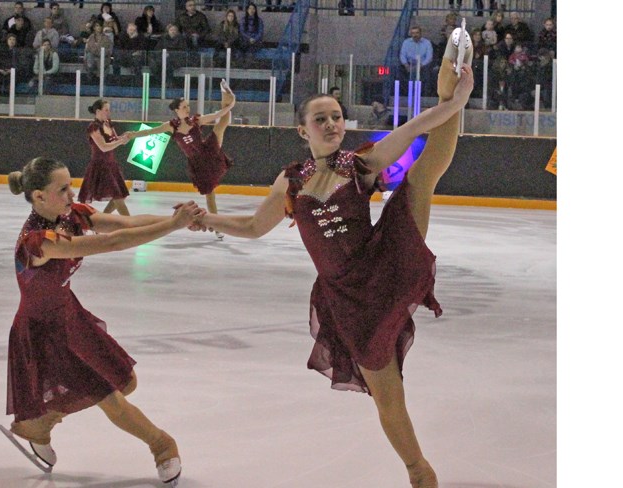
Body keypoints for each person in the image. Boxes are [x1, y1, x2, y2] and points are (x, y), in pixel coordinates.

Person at [190, 26, 474, 488]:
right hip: (347, 300)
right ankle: (418, 467)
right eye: (320, 119)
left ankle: (420, 477)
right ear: (302, 130)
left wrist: (455, 101)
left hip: (382, 265)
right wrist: (209, 220)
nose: (331, 124)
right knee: (387, 394)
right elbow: (253, 226)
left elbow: (418, 128)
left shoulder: (357, 165)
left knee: (421, 180)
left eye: (336, 117)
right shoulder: (291, 180)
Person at [3, 156, 203, 484]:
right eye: (63, 189)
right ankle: (162, 446)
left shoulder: (73, 216)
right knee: (109, 396)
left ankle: (38, 425)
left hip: (69, 317)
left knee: (127, 382)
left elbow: (126, 224)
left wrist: (177, 219)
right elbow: (110, 243)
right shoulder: (37, 243)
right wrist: (173, 225)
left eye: (71, 185)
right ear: (39, 197)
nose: (72, 194)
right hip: (43, 331)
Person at [127, 80, 236, 240]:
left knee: (222, 123)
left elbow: (216, 116)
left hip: (209, 150)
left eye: (188, 106)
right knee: (209, 194)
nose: (188, 109)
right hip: (197, 163)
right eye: (184, 107)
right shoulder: (170, 126)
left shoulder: (196, 121)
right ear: (177, 110)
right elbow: (151, 131)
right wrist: (133, 135)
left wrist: (230, 106)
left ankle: (225, 93)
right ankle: (217, 225)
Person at [78, 99, 132, 215]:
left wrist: (125, 138)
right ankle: (131, 225)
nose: (108, 112)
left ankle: (102, 221)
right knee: (118, 198)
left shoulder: (108, 123)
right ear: (98, 111)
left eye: (109, 110)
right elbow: (103, 147)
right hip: (101, 166)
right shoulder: (94, 127)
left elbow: (116, 140)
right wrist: (120, 142)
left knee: (120, 196)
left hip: (112, 165)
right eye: (106, 110)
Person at [399, 25, 434, 96]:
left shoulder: (427, 43)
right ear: (411, 34)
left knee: (428, 72)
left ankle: (424, 94)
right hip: (409, 64)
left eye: (417, 33)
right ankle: (405, 94)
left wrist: (421, 65)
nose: (415, 35)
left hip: (423, 65)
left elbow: (429, 57)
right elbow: (402, 55)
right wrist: (405, 64)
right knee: (399, 71)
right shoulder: (406, 42)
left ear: (420, 33)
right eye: (413, 33)